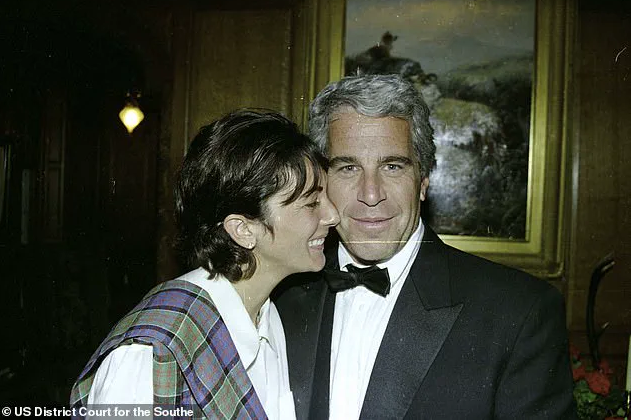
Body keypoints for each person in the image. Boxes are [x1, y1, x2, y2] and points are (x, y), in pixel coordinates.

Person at [273, 75, 576, 419]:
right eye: (348, 167)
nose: (370, 194)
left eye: (392, 166)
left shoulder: (519, 313)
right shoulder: (281, 293)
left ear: (423, 182)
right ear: (320, 183)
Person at [70, 109, 340, 419]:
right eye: (311, 203)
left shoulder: (267, 317)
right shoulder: (150, 356)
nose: (333, 215)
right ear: (243, 229)